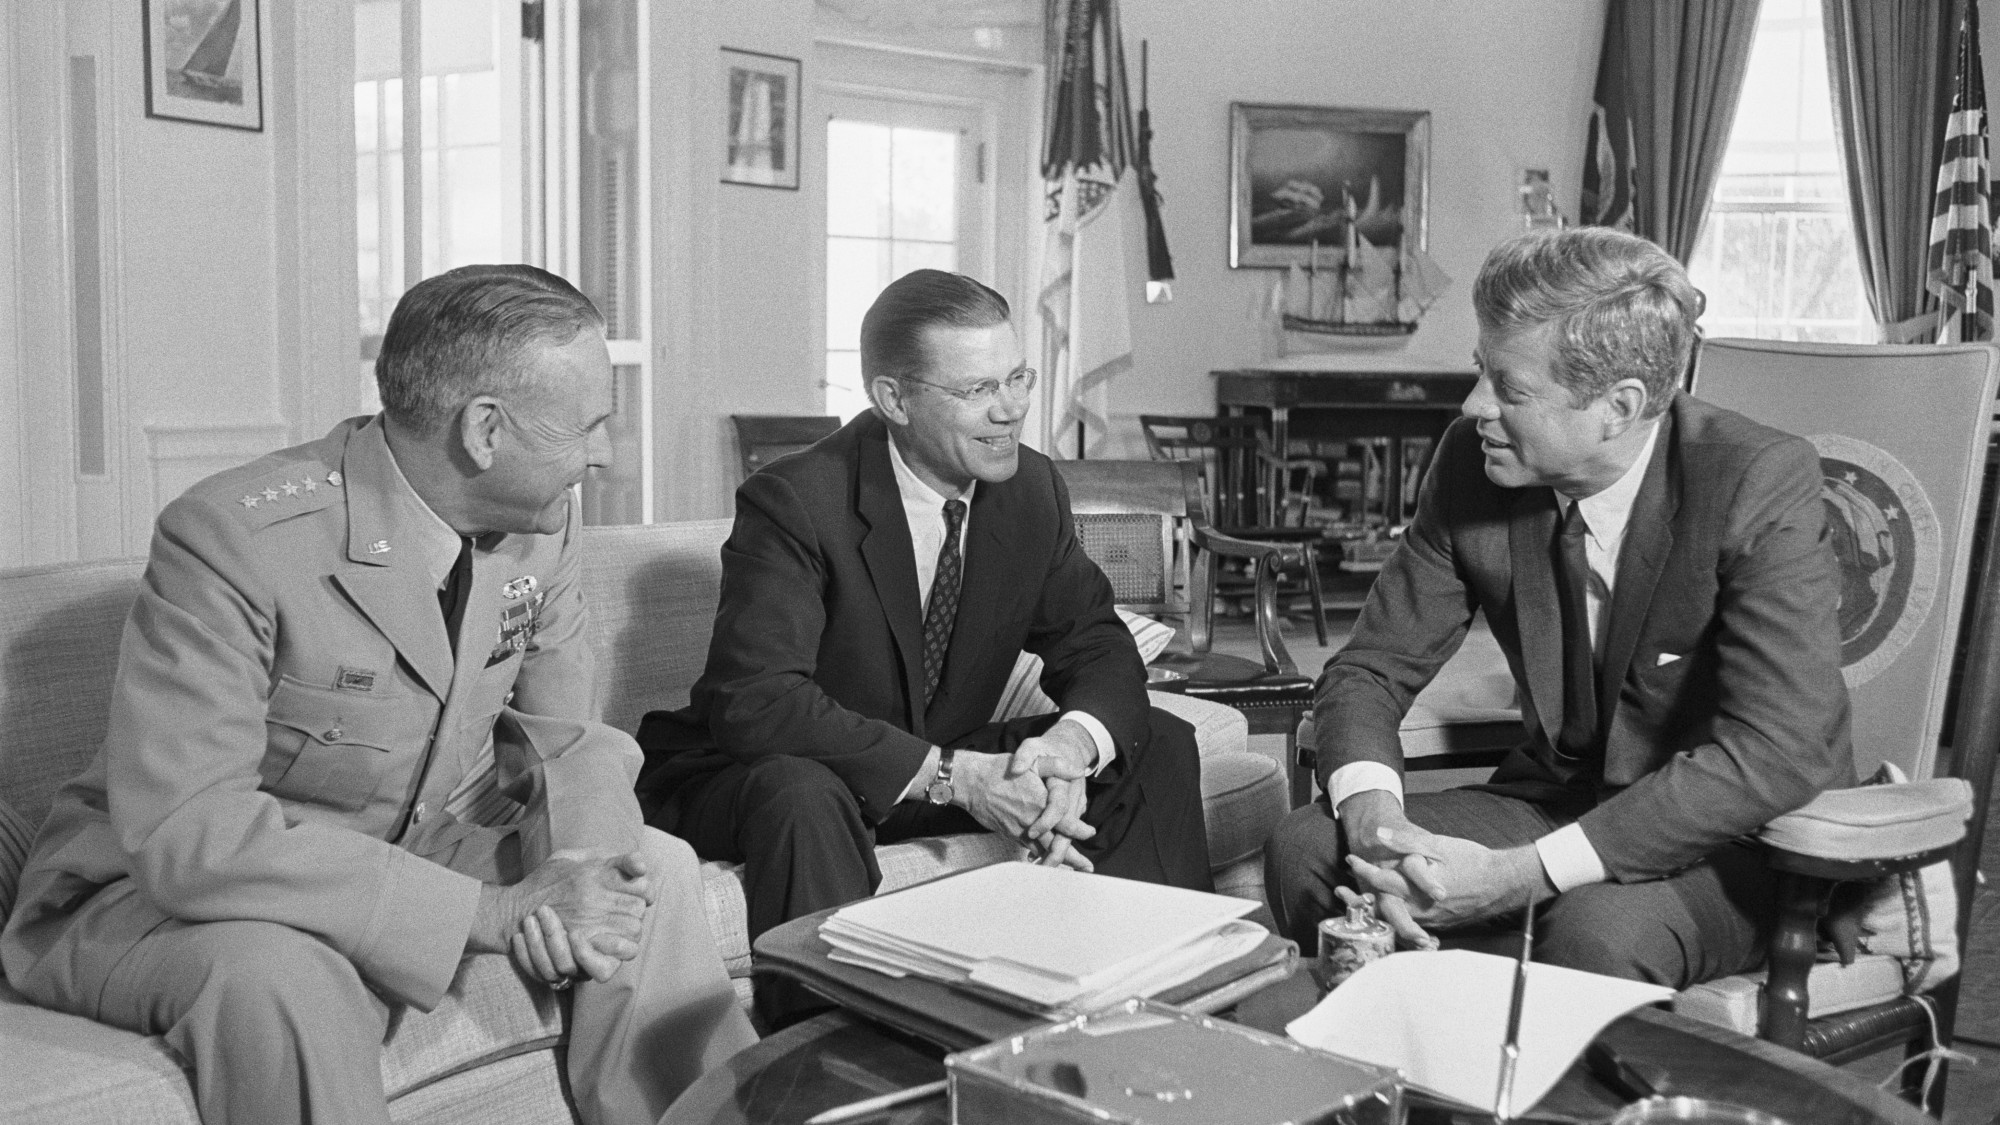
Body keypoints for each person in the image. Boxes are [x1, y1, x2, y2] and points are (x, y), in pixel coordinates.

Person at [1, 265, 756, 1125]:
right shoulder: (232, 539)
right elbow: (189, 832)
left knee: (645, 869)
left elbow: (566, 739)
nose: (603, 454)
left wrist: (577, 875)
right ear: (484, 430)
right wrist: (492, 908)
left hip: (413, 844)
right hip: (160, 889)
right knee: (285, 979)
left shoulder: (542, 529)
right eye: (589, 425)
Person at [1265, 228, 1854, 987]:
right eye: (1482, 371)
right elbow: (1371, 667)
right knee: (1310, 847)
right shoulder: (1471, 465)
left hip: (1732, 837)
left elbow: (1776, 750)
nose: (1474, 406)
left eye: (1509, 389)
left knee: (1592, 934)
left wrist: (1521, 873)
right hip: (1554, 797)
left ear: (1619, 406)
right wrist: (1380, 826)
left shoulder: (1756, 481)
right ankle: (1422, 1073)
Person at [637, 268, 1212, 1023]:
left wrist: (1071, 746)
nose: (1010, 411)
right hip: (783, 771)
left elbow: (1095, 642)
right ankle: (832, 1073)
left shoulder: (1029, 489)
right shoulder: (798, 499)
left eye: (1018, 378)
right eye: (976, 391)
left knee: (1158, 743)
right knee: (801, 793)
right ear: (894, 399)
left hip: (929, 757)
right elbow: (757, 700)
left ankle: (1153, 1017)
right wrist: (954, 777)